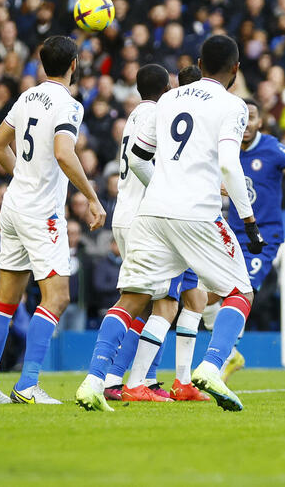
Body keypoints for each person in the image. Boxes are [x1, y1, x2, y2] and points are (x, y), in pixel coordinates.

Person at [74, 35, 266, 413]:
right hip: (197, 213)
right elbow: (229, 162)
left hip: (153, 212)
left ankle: (93, 381)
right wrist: (249, 220)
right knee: (241, 292)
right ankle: (210, 367)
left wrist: (165, 183)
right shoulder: (233, 105)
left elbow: (139, 155)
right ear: (236, 69)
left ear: (198, 61)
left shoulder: (167, 99)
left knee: (131, 299)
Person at [0, 36, 107, 405]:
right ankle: (27, 384)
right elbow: (64, 153)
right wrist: (92, 197)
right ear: (74, 64)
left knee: (6, 299)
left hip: (14, 207)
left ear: (41, 63)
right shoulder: (69, 105)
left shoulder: (27, 96)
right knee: (58, 296)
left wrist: (22, 177)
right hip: (41, 212)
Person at [101, 63, 211, 403]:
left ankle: (144, 378)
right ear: (167, 88)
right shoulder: (160, 114)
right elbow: (140, 160)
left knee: (161, 301)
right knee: (149, 303)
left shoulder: (135, 115)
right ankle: (112, 378)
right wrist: (167, 191)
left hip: (129, 211)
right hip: (147, 217)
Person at [213, 97, 285, 381]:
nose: (247, 124)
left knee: (241, 289)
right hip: (230, 234)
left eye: (252, 117)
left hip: (264, 237)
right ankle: (229, 354)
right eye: (243, 118)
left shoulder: (273, 148)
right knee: (208, 296)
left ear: (261, 121)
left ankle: (224, 355)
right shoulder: (224, 150)